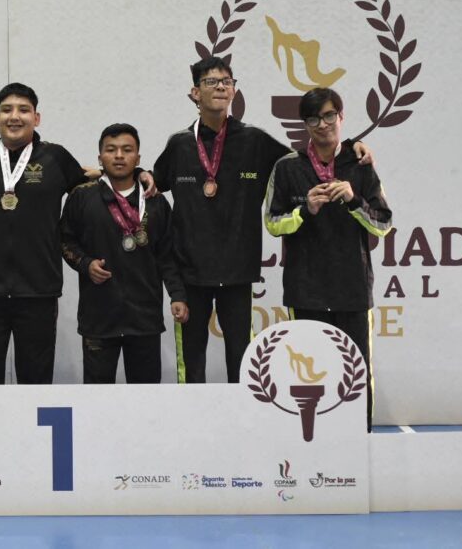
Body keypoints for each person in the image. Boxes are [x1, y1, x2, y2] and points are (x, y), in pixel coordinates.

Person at [153, 56, 372, 385]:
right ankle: (191, 418)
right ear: (195, 93)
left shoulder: (254, 140)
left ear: (234, 91)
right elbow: (153, 183)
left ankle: (242, 418)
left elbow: (306, 161)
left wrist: (352, 146)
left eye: (227, 81)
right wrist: (135, 175)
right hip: (190, 272)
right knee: (192, 363)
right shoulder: (179, 145)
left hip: (238, 273)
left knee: (243, 362)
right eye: (211, 82)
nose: (220, 87)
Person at [264, 88, 392, 429]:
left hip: (352, 289)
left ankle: (360, 441)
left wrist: (353, 200)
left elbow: (383, 225)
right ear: (305, 125)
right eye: (313, 119)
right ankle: (311, 445)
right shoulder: (287, 167)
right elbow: (272, 223)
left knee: (356, 374)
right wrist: (305, 210)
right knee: (309, 377)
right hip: (306, 291)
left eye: (329, 115)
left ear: (341, 116)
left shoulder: (360, 164)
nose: (323, 124)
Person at [0, 83, 91, 384]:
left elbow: (91, 184)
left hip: (39, 291)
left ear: (37, 117)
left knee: (36, 381)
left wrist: (138, 174)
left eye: (23, 110)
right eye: (6, 110)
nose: (14, 116)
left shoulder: (56, 157)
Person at [60, 123, 189, 384]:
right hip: (99, 318)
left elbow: (167, 254)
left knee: (145, 397)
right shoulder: (81, 197)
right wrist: (85, 264)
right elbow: (65, 240)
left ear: (138, 158)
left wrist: (177, 294)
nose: (119, 156)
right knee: (96, 397)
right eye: (111, 150)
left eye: (127, 150)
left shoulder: (155, 200)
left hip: (144, 318)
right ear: (100, 158)